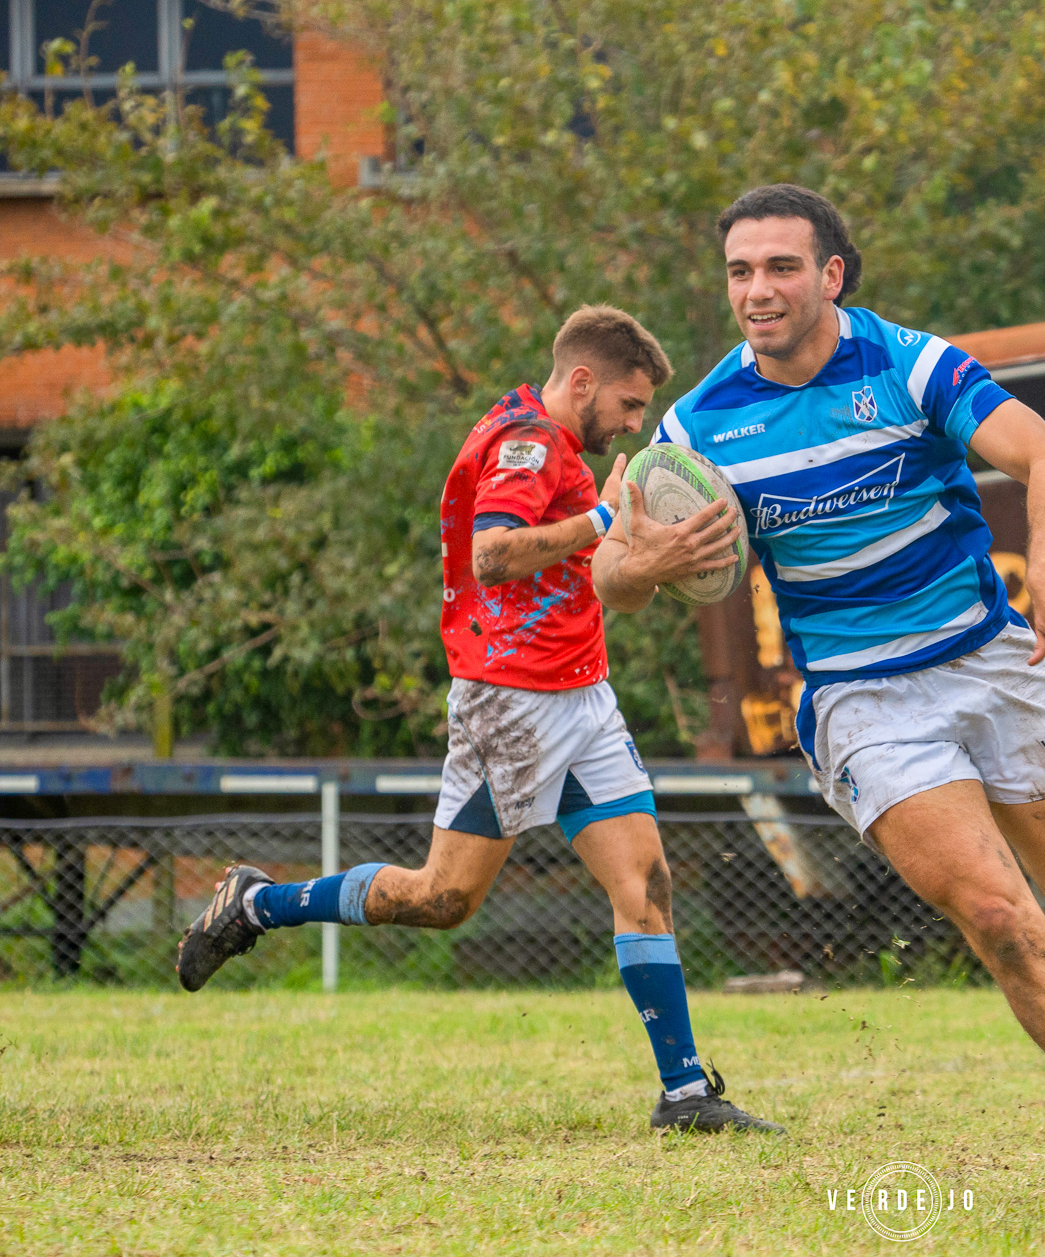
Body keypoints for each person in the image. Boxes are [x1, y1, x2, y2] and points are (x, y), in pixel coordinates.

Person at [593, 186, 1045, 1207]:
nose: (757, 290)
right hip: (862, 701)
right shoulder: (697, 422)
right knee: (1001, 918)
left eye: (781, 268)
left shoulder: (908, 363)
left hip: (992, 665)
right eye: (740, 271)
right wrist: (649, 560)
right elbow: (609, 574)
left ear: (831, 276)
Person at [177, 305, 780, 1136]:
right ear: (581, 382)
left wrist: (645, 553)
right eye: (630, 405)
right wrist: (606, 524)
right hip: (515, 704)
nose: (635, 424)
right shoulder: (526, 444)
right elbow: (491, 555)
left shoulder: (559, 447)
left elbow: (582, 567)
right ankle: (258, 905)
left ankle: (684, 1095)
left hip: (583, 697)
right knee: (443, 896)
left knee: (645, 884)